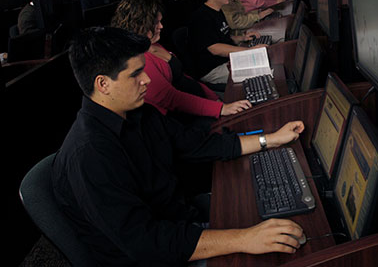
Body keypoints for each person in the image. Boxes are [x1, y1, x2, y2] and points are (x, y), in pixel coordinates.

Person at [52, 26, 306, 266]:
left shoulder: (139, 113)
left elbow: (197, 145)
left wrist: (271, 139)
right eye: (135, 74)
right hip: (161, 255)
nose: (147, 80)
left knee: (282, 217)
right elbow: (147, 243)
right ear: (103, 84)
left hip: (182, 223)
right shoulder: (89, 155)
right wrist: (243, 239)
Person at [111, 0, 251, 120]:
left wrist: (214, 97)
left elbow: (185, 79)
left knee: (250, 98)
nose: (161, 26)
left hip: (205, 101)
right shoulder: (139, 60)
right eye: (155, 23)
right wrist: (220, 108)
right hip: (188, 116)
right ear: (140, 24)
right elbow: (172, 99)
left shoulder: (154, 45)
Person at [188, 0, 266, 85]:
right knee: (260, 71)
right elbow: (215, 48)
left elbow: (223, 37)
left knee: (263, 61)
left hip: (225, 60)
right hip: (213, 69)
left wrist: (242, 38)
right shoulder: (200, 18)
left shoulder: (218, 10)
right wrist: (249, 51)